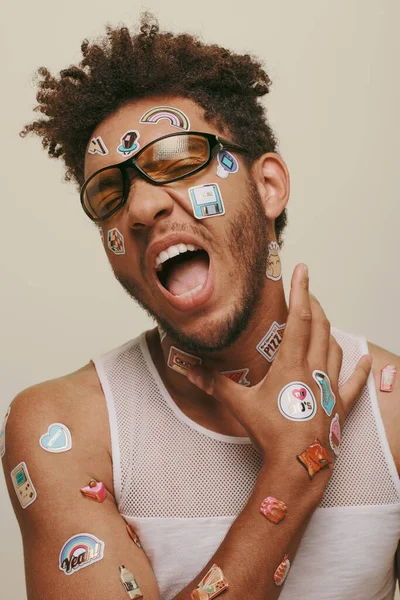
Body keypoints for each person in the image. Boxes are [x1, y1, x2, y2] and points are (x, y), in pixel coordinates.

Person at [1, 14, 399, 600]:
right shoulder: (64, 429)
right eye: (109, 194)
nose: (139, 207)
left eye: (179, 158)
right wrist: (294, 468)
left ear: (268, 187)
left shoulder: (391, 414)